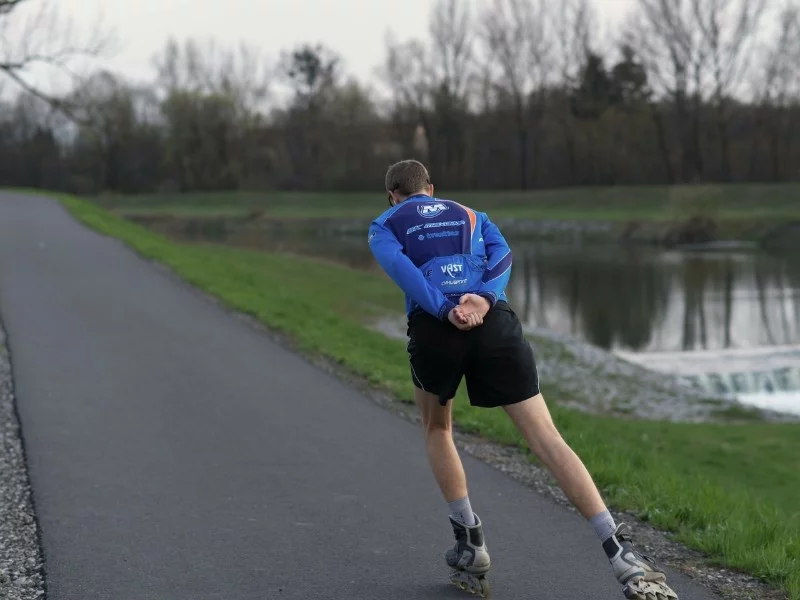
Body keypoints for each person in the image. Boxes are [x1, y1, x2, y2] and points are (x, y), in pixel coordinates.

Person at [367, 159, 678, 600]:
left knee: (438, 428)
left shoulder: (383, 224)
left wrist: (444, 309)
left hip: (436, 330)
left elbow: (404, 272)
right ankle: (621, 553)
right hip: (493, 322)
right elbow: (503, 257)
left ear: (392, 195)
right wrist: (483, 299)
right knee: (546, 436)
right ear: (431, 188)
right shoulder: (474, 215)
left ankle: (470, 544)